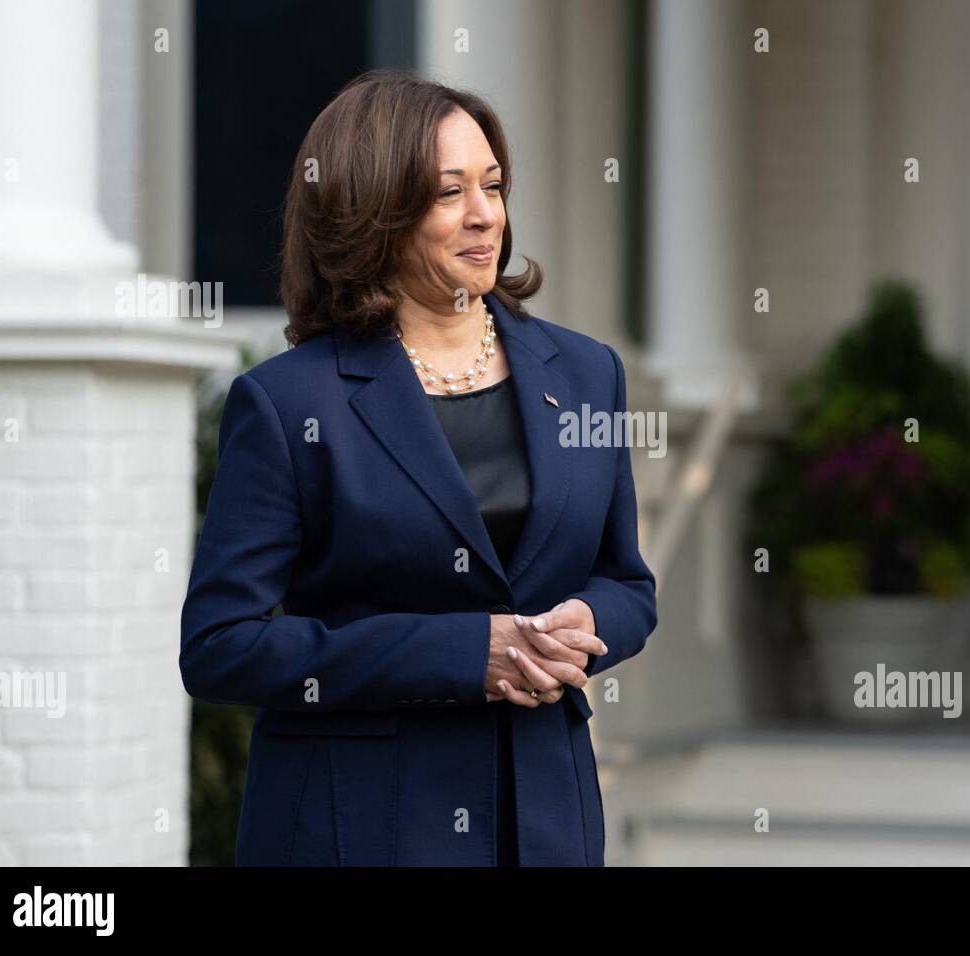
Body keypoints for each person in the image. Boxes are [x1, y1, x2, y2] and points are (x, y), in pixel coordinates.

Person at [179, 70, 657, 866]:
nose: (484, 214)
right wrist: (464, 652)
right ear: (374, 210)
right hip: (358, 826)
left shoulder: (585, 373)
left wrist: (590, 625)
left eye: (494, 186)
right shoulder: (288, 403)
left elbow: (628, 583)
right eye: (448, 193)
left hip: (546, 821)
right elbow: (222, 646)